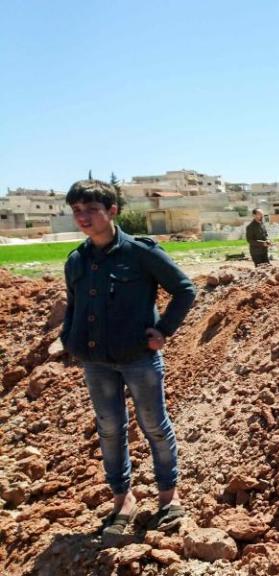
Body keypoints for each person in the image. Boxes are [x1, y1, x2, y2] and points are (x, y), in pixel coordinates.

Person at [60, 180, 196, 539]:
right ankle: (122, 499)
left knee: (154, 425)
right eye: (77, 211)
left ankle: (169, 496)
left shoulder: (140, 252)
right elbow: (74, 305)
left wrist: (164, 330)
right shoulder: (77, 260)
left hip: (138, 359)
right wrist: (69, 339)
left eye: (91, 210)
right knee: (108, 429)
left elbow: (184, 289)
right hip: (97, 362)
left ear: (112, 211)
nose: (84, 218)